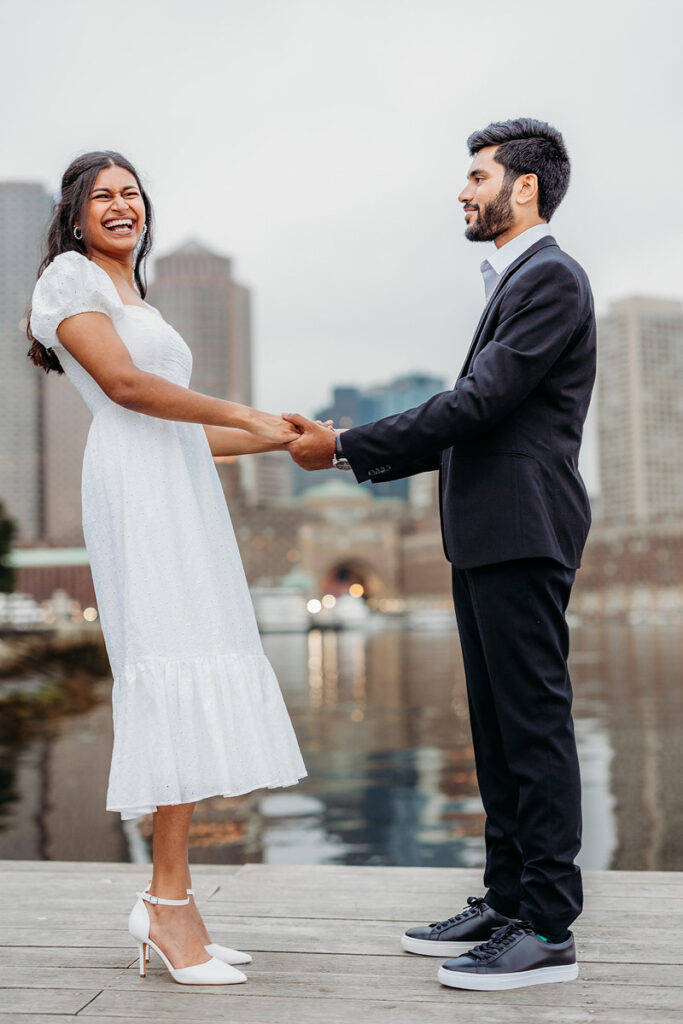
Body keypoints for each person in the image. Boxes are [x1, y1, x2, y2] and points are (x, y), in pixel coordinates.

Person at [285, 118, 596, 991]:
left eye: (477, 176)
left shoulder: (551, 280)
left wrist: (344, 445)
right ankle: (507, 898)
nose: (463, 192)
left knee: (531, 723)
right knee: (495, 729)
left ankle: (546, 927)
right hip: (489, 530)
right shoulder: (517, 281)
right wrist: (352, 450)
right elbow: (475, 411)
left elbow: (479, 403)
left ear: (522, 186)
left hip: (522, 528)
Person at [27, 151, 307, 987]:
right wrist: (246, 410)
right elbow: (127, 389)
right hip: (139, 501)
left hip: (180, 491)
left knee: (198, 666)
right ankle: (165, 905)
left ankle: (175, 903)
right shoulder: (69, 281)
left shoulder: (133, 295)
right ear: (76, 217)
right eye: (102, 196)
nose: (121, 205)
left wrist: (282, 437)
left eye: (132, 194)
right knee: (168, 672)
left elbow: (185, 430)